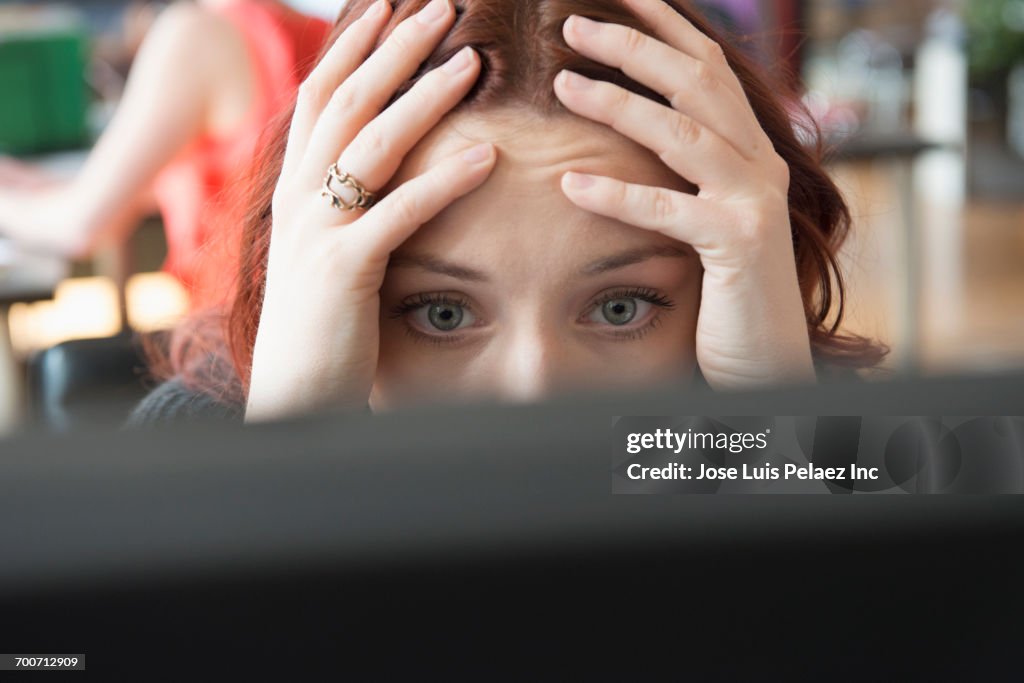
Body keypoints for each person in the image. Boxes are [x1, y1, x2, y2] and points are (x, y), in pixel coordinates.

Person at [128, 0, 887, 426]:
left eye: (620, 308)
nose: (535, 392)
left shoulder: (812, 436)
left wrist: (772, 426)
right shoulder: (193, 451)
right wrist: (293, 461)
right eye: (441, 314)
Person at [0, 0, 330, 309]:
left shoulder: (194, 35)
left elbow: (79, 227)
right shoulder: (320, 29)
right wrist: (28, 184)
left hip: (234, 339)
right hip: (303, 326)